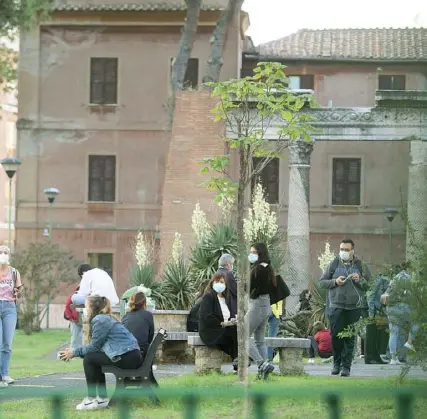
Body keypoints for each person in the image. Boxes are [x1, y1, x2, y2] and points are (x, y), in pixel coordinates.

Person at [60, 296, 142, 410]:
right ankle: (102, 398)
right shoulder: (105, 318)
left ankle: (91, 399)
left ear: (93, 308)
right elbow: (97, 348)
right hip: (130, 355)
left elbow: (94, 347)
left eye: (86, 306)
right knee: (94, 358)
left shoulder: (100, 320)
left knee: (89, 358)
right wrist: (75, 352)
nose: (85, 309)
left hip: (127, 356)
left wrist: (74, 352)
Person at [319, 239, 371, 377]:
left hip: (354, 307)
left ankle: (346, 367)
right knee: (336, 336)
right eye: (341, 249)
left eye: (346, 250)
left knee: (350, 337)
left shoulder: (361, 265)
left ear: (352, 251)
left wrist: (359, 279)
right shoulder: (334, 263)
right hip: (335, 305)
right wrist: (335, 282)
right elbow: (322, 282)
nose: (343, 252)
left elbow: (370, 285)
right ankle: (336, 364)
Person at [247, 242, 275, 380]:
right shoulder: (265, 267)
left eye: (254, 252)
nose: (251, 255)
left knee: (241, 336)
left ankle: (262, 364)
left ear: (260, 253)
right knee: (259, 340)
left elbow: (259, 287)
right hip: (264, 304)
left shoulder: (262, 268)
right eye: (250, 252)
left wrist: (251, 295)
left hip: (258, 304)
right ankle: (264, 374)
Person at [198, 273, 238, 369]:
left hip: (223, 328)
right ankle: (238, 359)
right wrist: (221, 323)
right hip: (210, 330)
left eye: (221, 282)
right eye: (216, 282)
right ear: (212, 283)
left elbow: (228, 315)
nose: (219, 284)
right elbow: (207, 316)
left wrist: (232, 321)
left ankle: (237, 360)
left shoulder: (225, 299)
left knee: (236, 330)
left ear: (225, 285)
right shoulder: (208, 297)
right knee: (232, 333)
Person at [381, 262, 418, 365]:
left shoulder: (393, 280)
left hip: (391, 308)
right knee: (417, 322)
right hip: (404, 307)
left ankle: (393, 358)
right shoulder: (408, 277)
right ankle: (410, 342)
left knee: (394, 333)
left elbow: (385, 296)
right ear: (407, 269)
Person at [121, 292, 157, 386]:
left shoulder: (125, 316)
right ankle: (147, 381)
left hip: (126, 355)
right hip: (143, 355)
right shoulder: (148, 315)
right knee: (146, 347)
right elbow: (150, 336)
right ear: (144, 303)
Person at [0, 245, 23, 387]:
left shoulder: (14, 272)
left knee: (7, 344)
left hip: (9, 307)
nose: (3, 254)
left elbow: (19, 291)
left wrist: (17, 292)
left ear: (9, 255)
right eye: (0, 252)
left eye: (5, 252)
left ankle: (5, 374)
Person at [364, 272, 390, 364]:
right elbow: (370, 296)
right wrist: (371, 313)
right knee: (371, 334)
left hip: (376, 310)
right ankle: (369, 357)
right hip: (371, 310)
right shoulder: (378, 281)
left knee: (375, 335)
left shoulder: (385, 280)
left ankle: (375, 356)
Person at [64, 286, 83, 351]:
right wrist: (70, 317)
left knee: (84, 337)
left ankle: (82, 352)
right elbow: (67, 307)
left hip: (85, 320)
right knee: (74, 337)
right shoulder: (73, 297)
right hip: (75, 320)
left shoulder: (87, 298)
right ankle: (71, 352)